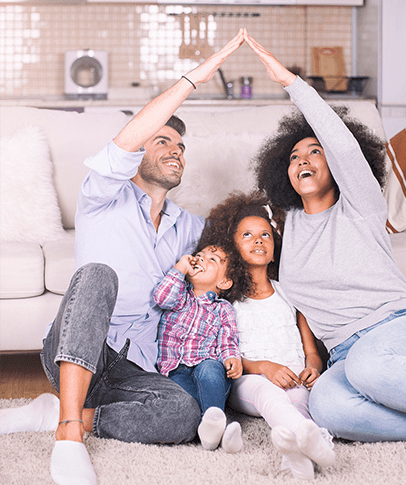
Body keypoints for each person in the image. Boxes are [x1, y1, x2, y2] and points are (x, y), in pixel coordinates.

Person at [0, 30, 247, 485]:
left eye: (180, 147)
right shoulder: (101, 197)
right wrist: (195, 78)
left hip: (136, 368)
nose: (174, 150)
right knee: (98, 274)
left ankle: (61, 414)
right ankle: (70, 432)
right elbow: (124, 142)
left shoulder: (190, 229)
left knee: (183, 414)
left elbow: (243, 248)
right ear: (137, 154)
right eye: (162, 142)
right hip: (79, 350)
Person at [244, 30, 406, 445]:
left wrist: (292, 84)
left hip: (404, 336)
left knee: (368, 369)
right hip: (346, 354)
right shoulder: (289, 223)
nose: (302, 159)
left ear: (336, 165)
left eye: (314, 152)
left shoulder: (361, 204)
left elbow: (341, 143)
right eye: (293, 157)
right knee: (327, 408)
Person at [198, 191, 335, 480]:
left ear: (275, 248)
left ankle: (295, 456)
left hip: (295, 377)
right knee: (267, 393)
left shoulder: (290, 293)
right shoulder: (227, 302)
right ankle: (315, 442)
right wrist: (264, 368)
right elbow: (227, 356)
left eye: (265, 235)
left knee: (301, 403)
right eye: (247, 234)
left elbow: (311, 350)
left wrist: (313, 367)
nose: (258, 240)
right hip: (249, 382)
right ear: (232, 247)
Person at [153, 244, 243, 453]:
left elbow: (228, 337)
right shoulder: (180, 295)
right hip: (175, 368)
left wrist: (232, 357)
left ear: (224, 282)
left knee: (211, 371)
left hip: (206, 362)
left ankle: (215, 421)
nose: (201, 259)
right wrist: (181, 267)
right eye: (199, 255)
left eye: (212, 260)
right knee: (186, 400)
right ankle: (214, 433)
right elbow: (161, 298)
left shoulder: (222, 308)